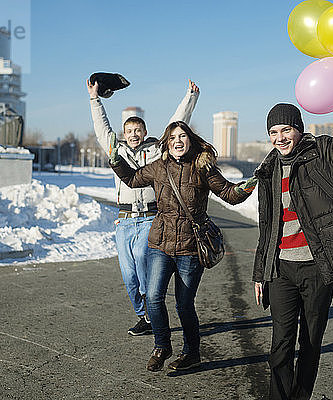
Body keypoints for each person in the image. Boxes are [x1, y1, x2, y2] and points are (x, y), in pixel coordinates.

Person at [252, 103, 333, 400]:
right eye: (273, 132)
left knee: (310, 342)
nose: (280, 138)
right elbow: (267, 227)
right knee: (280, 345)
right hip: (281, 270)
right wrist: (260, 273)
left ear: (299, 128)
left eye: (286, 130)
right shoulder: (268, 169)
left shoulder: (324, 153)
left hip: (317, 268)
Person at [109, 120, 257, 371]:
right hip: (160, 244)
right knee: (154, 297)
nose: (178, 141)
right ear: (167, 142)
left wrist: (248, 186)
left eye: (183, 136)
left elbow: (229, 193)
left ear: (190, 140)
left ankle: (191, 352)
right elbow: (133, 179)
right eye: (173, 137)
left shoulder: (202, 167)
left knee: (184, 304)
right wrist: (116, 160)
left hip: (191, 247)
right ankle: (162, 345)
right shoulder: (158, 167)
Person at [87, 79, 200, 336]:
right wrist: (95, 99)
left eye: (138, 130)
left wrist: (190, 98)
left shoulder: (156, 150)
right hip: (124, 221)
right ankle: (145, 315)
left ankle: (152, 311)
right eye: (129, 131)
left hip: (149, 218)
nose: (134, 134)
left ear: (145, 131)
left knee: (141, 262)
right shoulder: (116, 149)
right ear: (124, 133)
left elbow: (175, 124)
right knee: (128, 276)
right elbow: (101, 128)